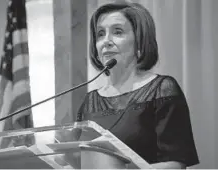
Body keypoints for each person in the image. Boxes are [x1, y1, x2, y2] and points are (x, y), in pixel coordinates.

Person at [76, 1, 199, 169]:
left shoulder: (162, 90)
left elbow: (176, 165)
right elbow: (79, 160)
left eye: (117, 32)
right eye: (100, 34)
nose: (106, 41)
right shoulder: (90, 102)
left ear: (140, 40)